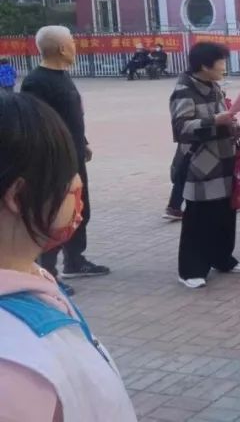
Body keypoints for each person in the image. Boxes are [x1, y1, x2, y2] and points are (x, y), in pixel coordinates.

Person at [0, 93, 138, 421]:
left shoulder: (30, 280)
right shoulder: (14, 370)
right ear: (19, 195)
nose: (77, 185)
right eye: (68, 173)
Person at [21, 26, 109, 293]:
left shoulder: (62, 75)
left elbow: (69, 116)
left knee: (79, 211)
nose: (75, 46)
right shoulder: (37, 82)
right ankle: (47, 272)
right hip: (55, 161)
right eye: (72, 42)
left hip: (74, 156)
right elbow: (38, 124)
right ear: (61, 48)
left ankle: (75, 260)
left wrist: (83, 142)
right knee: (55, 215)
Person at [170, 42, 240, 288]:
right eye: (221, 62)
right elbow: (181, 129)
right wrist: (214, 120)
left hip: (224, 159)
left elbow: (223, 118)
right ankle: (190, 270)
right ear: (205, 65)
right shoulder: (184, 90)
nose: (224, 66)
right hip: (201, 164)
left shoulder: (214, 87)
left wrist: (234, 127)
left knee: (224, 213)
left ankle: (222, 258)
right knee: (199, 217)